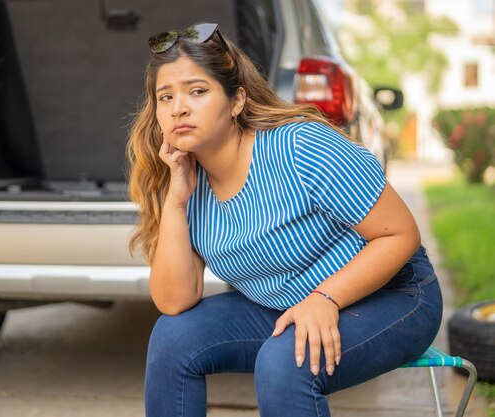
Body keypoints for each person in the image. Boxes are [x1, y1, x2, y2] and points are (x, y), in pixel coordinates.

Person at [125, 22, 443, 417]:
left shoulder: (298, 147)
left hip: (391, 294)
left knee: (285, 362)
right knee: (173, 339)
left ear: (236, 101)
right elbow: (174, 301)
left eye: (198, 91)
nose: (179, 108)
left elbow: (400, 234)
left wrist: (325, 298)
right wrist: (175, 202)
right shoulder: (183, 180)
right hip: (287, 304)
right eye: (165, 96)